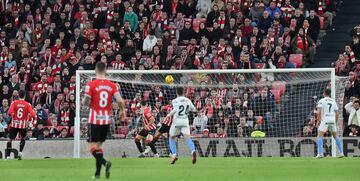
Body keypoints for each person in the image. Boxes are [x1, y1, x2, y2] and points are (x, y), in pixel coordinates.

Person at [82, 62, 125, 179]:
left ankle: (106, 163)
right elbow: (120, 101)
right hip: (106, 120)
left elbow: (86, 102)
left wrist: (85, 101)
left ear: (96, 70)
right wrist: (122, 111)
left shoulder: (91, 84)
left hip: (94, 119)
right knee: (98, 147)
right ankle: (97, 174)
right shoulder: (112, 85)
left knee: (91, 148)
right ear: (105, 70)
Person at [165, 87, 197, 164]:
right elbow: (194, 109)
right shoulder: (188, 100)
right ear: (184, 92)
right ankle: (193, 151)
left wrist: (168, 115)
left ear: (176, 92)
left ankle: (174, 155)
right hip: (185, 121)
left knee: (171, 137)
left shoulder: (175, 101)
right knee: (187, 137)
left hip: (177, 121)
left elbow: (175, 109)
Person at [6, 90, 37, 160]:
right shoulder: (27, 104)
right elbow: (33, 115)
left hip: (14, 124)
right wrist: (30, 121)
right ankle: (20, 152)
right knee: (23, 138)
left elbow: (9, 112)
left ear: (18, 95)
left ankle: (8, 156)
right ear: (25, 96)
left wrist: (14, 115)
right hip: (23, 125)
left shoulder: (14, 103)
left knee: (10, 139)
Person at [315, 89, 344, 158]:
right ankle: (341, 153)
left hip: (325, 119)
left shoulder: (322, 100)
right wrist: (335, 122)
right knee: (335, 136)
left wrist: (318, 121)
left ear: (324, 93)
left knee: (320, 136)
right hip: (332, 119)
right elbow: (337, 113)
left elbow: (318, 112)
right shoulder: (333, 101)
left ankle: (320, 154)